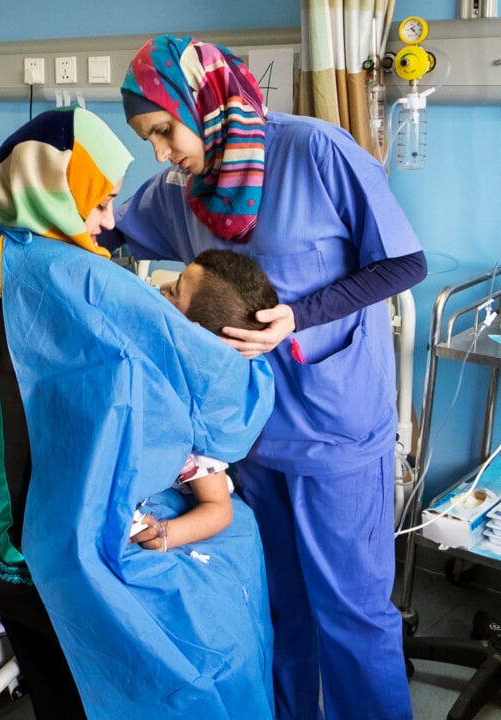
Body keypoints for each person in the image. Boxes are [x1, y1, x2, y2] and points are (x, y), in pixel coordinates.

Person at [0, 106, 276, 719]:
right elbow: (230, 413)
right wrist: (259, 358)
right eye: (98, 202)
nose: (108, 221)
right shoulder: (75, 275)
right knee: (183, 608)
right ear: (57, 189)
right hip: (4, 543)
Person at [105, 34, 428, 720]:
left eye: (164, 130)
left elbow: (402, 265)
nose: (160, 152)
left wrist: (298, 316)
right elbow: (111, 233)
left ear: (202, 100)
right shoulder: (181, 190)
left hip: (334, 425)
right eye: (148, 140)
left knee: (351, 613)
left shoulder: (314, 150)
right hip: (247, 434)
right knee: (280, 605)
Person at [132, 249, 279, 552]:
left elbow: (218, 509)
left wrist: (165, 533)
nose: (160, 288)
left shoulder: (198, 418)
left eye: (173, 290)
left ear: (191, 334)